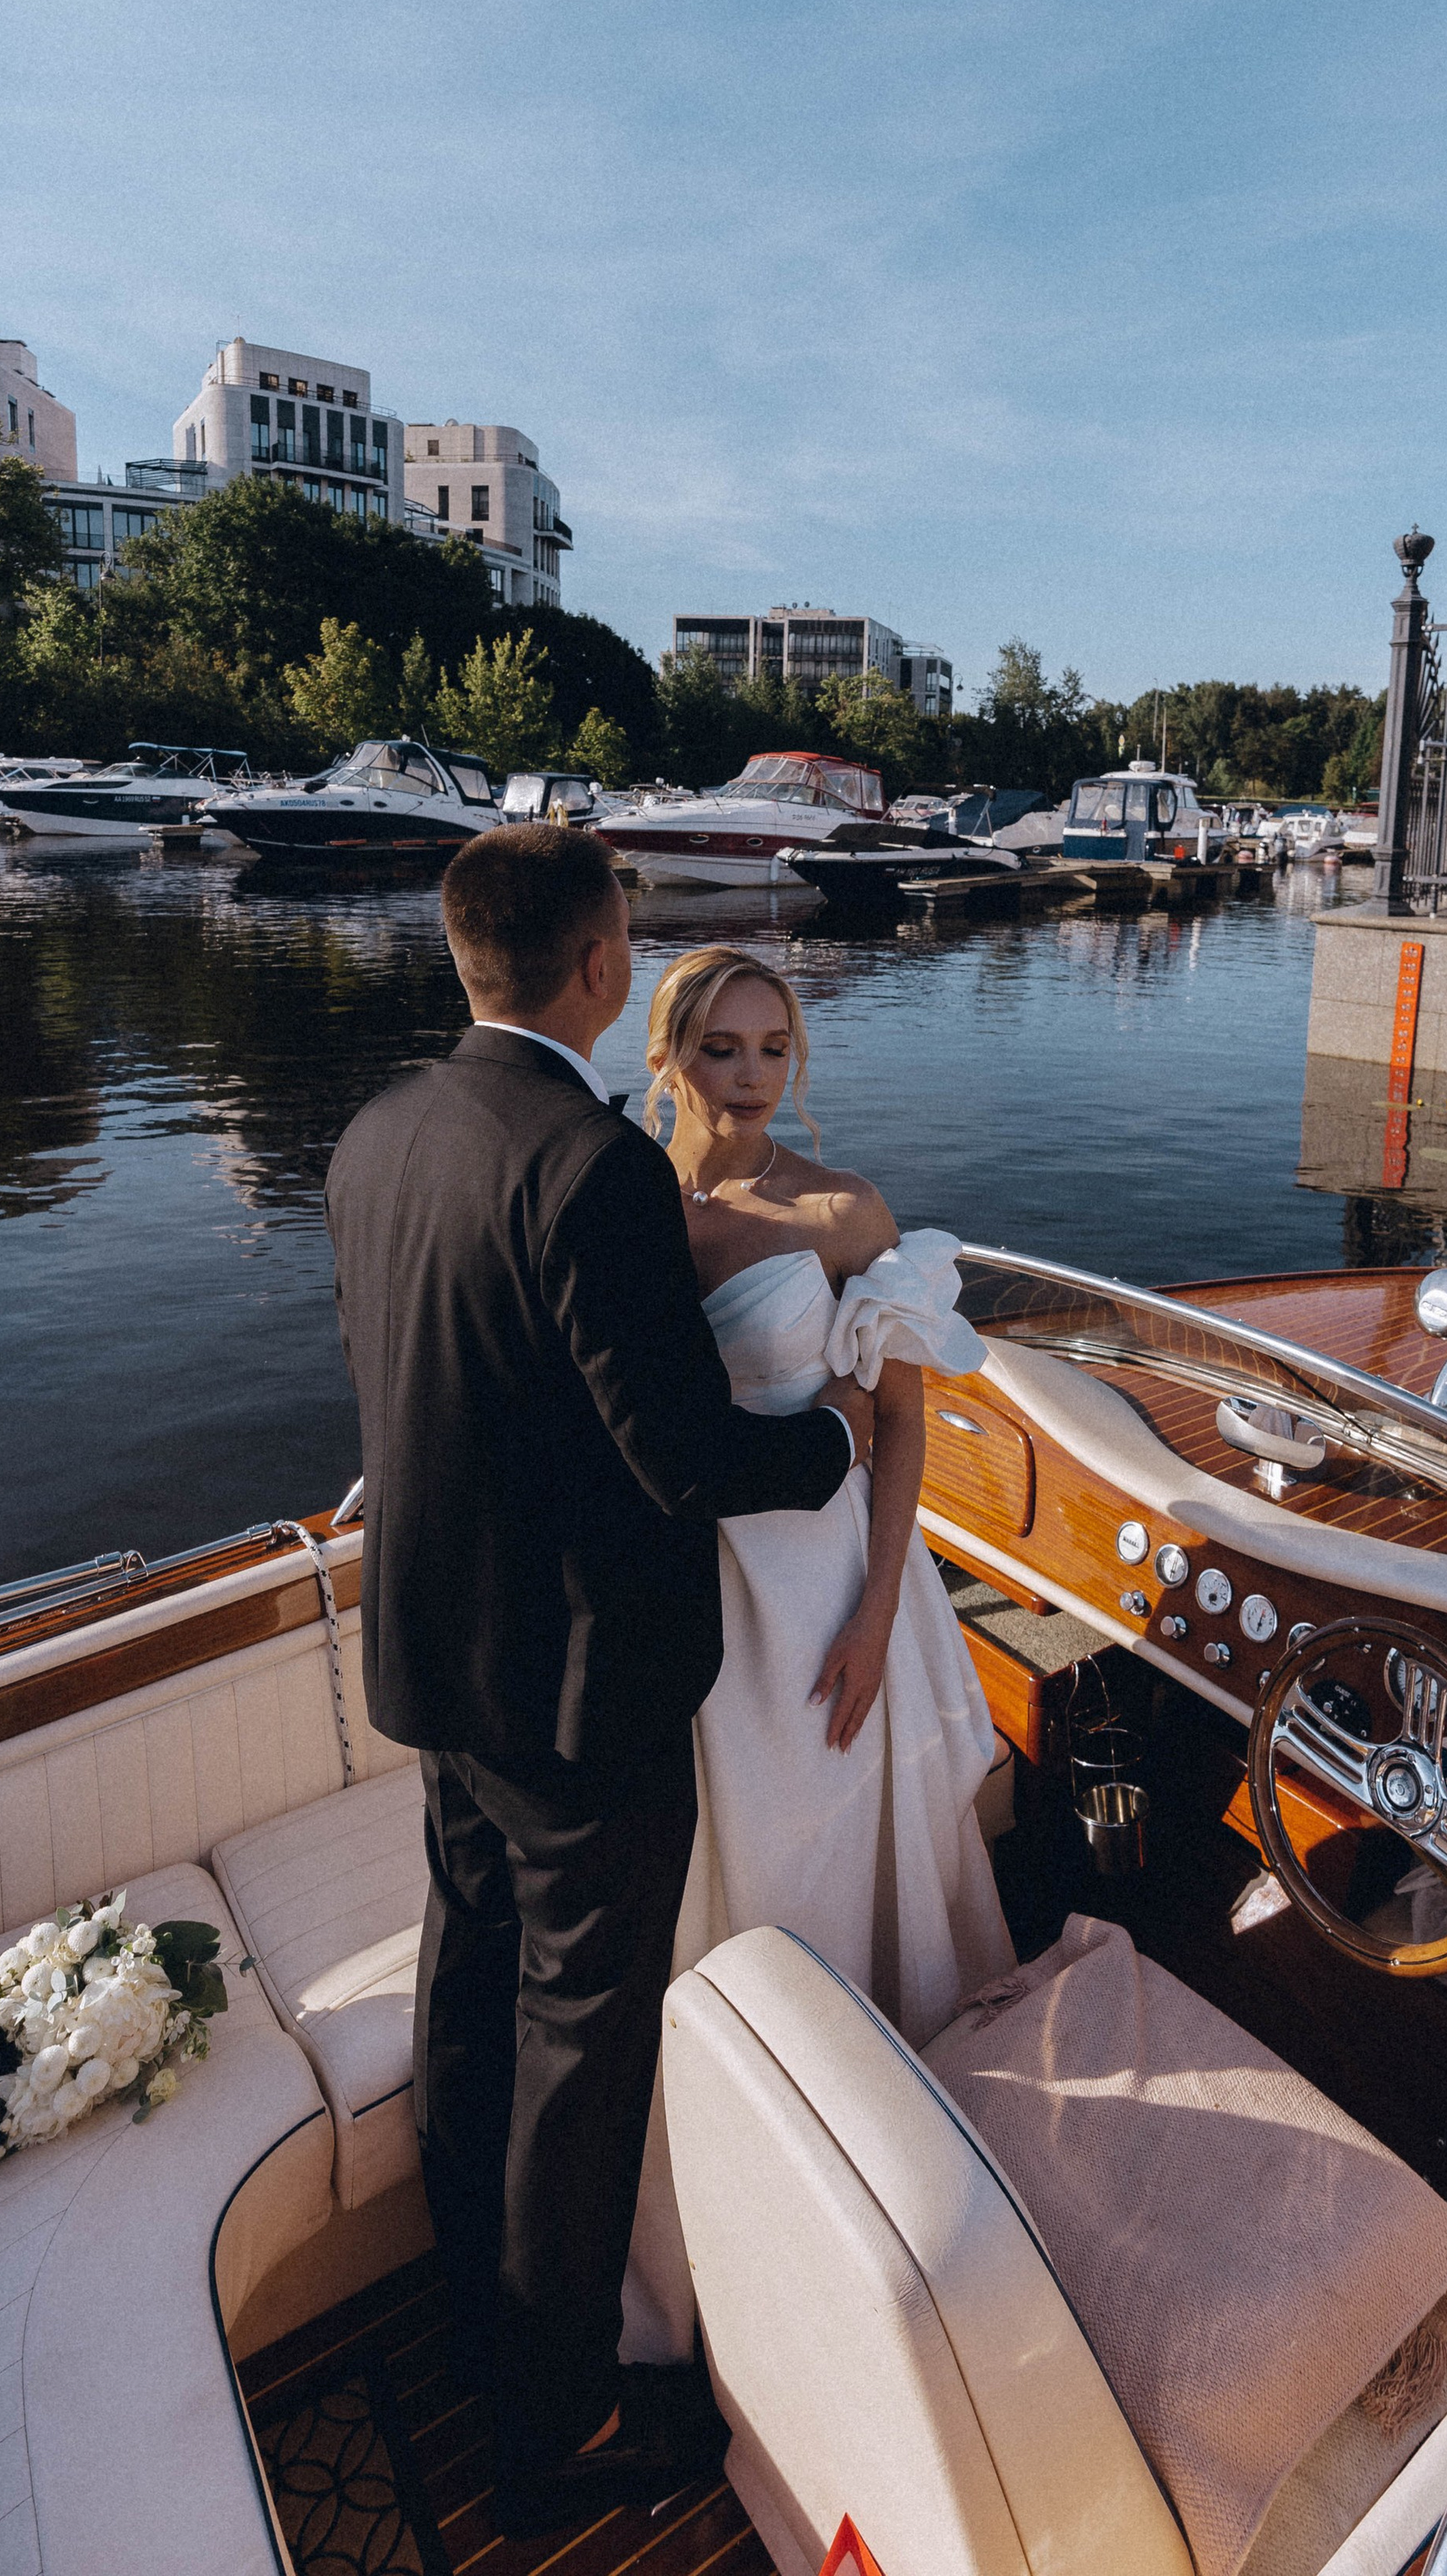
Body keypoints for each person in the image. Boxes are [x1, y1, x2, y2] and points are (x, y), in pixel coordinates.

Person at [324, 830, 872, 2535]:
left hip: (433, 1654)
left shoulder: (375, 1135)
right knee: (578, 2037)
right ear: (597, 967)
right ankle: (554, 2422)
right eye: (628, 934)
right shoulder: (594, 1168)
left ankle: (465, 2296)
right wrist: (837, 1444)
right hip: (579, 1693)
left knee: (468, 1976)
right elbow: (683, 1455)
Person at [620, 944, 1015, 2368]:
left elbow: (899, 1425)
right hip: (702, 1594)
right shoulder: (629, 1211)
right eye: (721, 1049)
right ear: (668, 1055)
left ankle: (896, 2152)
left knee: (852, 1843)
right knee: (736, 1867)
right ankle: (759, 2144)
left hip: (839, 1583)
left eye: (772, 1048)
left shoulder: (847, 1212)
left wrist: (872, 1615)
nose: (749, 1076)